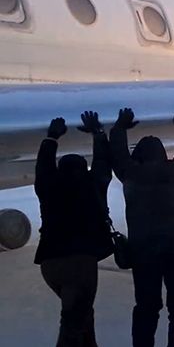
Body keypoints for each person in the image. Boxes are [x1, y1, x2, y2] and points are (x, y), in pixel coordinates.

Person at [110, 107, 174, 347]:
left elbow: (117, 154)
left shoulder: (131, 173)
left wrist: (120, 127)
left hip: (144, 250)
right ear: (162, 154)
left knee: (146, 307)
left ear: (138, 155)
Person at [34, 112, 114, 347]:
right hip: (81, 263)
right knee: (72, 324)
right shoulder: (93, 184)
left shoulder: (49, 185)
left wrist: (52, 137)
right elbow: (102, 163)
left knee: (79, 316)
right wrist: (97, 132)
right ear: (83, 169)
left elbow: (43, 167)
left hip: (50, 264)